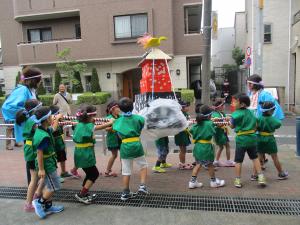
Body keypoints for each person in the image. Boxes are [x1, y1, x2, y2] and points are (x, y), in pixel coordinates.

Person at [73, 105, 113, 204]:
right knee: (94, 174)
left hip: (79, 153)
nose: (94, 119)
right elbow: (101, 126)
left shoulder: (79, 124)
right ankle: (81, 194)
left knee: (89, 173)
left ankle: (84, 192)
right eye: (93, 116)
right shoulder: (89, 126)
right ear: (88, 117)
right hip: (85, 154)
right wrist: (111, 122)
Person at [113, 97, 149, 201]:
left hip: (125, 146)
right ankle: (142, 186)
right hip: (136, 144)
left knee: (126, 170)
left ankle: (125, 193)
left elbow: (118, 134)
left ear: (120, 108)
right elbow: (141, 126)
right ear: (132, 107)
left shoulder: (117, 122)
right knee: (143, 165)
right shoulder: (139, 118)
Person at [31, 106, 64, 219]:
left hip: (50, 161)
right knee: (54, 186)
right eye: (51, 116)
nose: (52, 117)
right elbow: (39, 153)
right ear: (46, 120)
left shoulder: (44, 129)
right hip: (46, 164)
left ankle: (48, 206)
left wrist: (57, 119)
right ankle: (39, 203)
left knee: (51, 185)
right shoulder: (42, 135)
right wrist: (41, 169)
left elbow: (53, 128)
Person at [247, 74, 285, 169]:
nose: (248, 85)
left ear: (255, 84)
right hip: (254, 123)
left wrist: (269, 120)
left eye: (250, 83)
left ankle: (260, 165)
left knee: (259, 144)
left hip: (261, 123)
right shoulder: (251, 94)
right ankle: (261, 163)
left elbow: (273, 106)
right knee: (258, 145)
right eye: (248, 83)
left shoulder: (264, 94)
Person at [230, 93, 266, 188]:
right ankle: (261, 177)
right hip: (252, 138)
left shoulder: (235, 114)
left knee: (238, 161)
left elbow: (232, 126)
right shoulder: (251, 112)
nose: (233, 102)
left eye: (235, 101)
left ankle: (238, 180)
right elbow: (256, 123)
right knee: (255, 158)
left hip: (241, 139)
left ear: (242, 104)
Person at [2, 67, 42, 150]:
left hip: (30, 123)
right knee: (31, 151)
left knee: (33, 148)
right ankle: (9, 144)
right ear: (34, 80)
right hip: (22, 121)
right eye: (39, 80)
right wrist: (25, 113)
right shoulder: (23, 89)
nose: (41, 82)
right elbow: (9, 106)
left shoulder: (31, 89)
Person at [15, 99, 44, 212]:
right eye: (39, 107)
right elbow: (40, 132)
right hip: (32, 151)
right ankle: (30, 202)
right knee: (35, 178)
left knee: (36, 177)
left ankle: (34, 198)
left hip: (29, 149)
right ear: (35, 110)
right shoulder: (33, 121)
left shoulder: (28, 119)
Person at [188, 104, 225, 189]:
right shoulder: (210, 123)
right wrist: (218, 125)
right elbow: (214, 131)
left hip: (198, 147)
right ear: (209, 115)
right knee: (210, 165)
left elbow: (191, 130)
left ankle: (192, 182)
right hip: (206, 148)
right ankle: (213, 182)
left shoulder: (197, 124)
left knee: (198, 164)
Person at [256, 101, 288, 180]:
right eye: (273, 110)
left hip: (259, 138)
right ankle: (281, 173)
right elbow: (278, 124)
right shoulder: (272, 119)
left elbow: (255, 126)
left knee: (258, 158)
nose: (274, 111)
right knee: (275, 157)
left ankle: (255, 175)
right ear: (270, 111)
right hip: (270, 139)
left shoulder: (258, 118)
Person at [50, 105, 73, 182]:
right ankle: (55, 176)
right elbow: (53, 129)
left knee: (62, 156)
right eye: (58, 112)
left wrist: (71, 122)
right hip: (54, 142)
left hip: (60, 141)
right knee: (55, 159)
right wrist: (56, 119)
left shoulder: (58, 119)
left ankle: (63, 172)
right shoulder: (51, 119)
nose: (59, 113)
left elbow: (63, 122)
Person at [212, 99, 234, 167]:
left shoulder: (222, 113)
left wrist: (226, 120)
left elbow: (224, 120)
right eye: (223, 105)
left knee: (221, 147)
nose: (224, 106)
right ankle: (228, 161)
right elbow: (218, 124)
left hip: (223, 132)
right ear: (219, 107)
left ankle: (216, 161)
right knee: (226, 146)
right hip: (219, 133)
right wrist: (226, 121)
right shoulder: (215, 114)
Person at [104, 101, 121, 177]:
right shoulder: (108, 118)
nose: (119, 109)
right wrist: (113, 127)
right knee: (114, 155)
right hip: (112, 139)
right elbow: (106, 128)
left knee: (123, 154)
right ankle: (107, 171)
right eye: (117, 107)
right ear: (112, 109)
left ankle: (124, 169)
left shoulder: (120, 117)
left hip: (121, 139)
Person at [174, 100, 193, 170]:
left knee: (184, 150)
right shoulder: (179, 114)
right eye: (186, 106)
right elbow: (178, 124)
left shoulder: (185, 114)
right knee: (182, 150)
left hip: (184, 133)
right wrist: (187, 123)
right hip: (180, 134)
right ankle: (182, 164)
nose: (188, 108)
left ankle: (182, 163)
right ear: (182, 108)